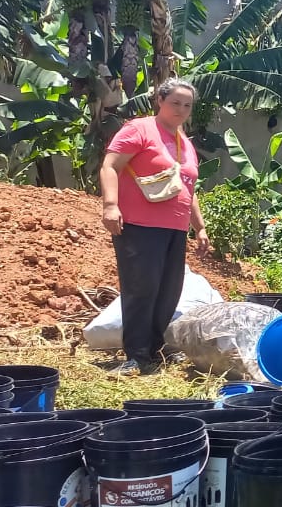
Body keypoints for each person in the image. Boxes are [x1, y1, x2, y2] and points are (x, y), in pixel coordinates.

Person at [100, 78, 210, 376]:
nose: (181, 109)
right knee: (141, 288)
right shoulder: (140, 129)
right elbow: (110, 166)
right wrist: (111, 205)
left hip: (174, 227)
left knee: (168, 291)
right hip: (139, 224)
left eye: (187, 105)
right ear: (159, 101)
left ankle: (155, 349)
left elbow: (189, 188)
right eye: (175, 102)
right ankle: (136, 354)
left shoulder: (183, 142)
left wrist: (199, 227)